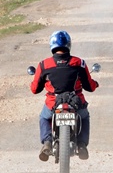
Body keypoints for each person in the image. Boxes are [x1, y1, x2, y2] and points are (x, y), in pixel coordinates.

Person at [30, 30, 99, 161]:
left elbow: (35, 89)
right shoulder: (79, 63)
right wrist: (96, 84)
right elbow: (89, 86)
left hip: (53, 103)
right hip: (75, 103)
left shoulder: (44, 65)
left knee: (44, 118)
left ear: (52, 45)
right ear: (68, 44)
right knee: (85, 117)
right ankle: (82, 145)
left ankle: (47, 143)